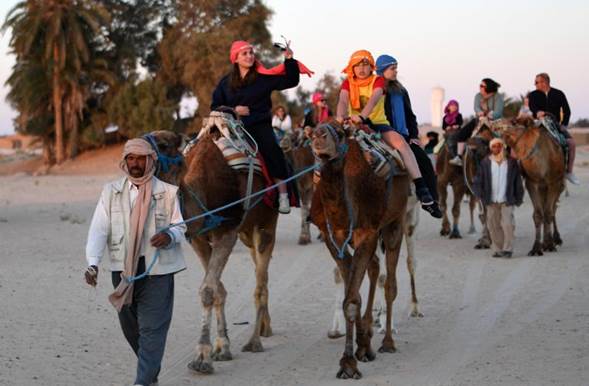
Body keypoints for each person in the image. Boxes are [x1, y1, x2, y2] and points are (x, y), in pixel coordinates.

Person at [84, 138, 187, 386]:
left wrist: (170, 235)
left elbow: (180, 226)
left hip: (158, 271)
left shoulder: (168, 192)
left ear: (150, 160)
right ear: (125, 161)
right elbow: (99, 229)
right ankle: (151, 372)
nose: (136, 163)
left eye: (141, 158)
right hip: (123, 271)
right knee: (131, 328)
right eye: (131, 158)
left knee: (152, 329)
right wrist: (93, 263)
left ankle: (142, 381)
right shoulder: (110, 192)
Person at [336, 50, 442, 218]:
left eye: (365, 65)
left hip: (378, 125)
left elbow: (375, 99)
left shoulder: (381, 83)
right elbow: (342, 100)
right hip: (354, 126)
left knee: (405, 147)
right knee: (330, 149)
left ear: (372, 67)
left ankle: (425, 193)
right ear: (352, 68)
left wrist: (363, 117)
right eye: (358, 66)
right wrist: (340, 117)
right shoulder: (348, 83)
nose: (362, 69)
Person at [211, 40, 313, 214]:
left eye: (251, 53)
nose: (250, 56)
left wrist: (289, 59)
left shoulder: (263, 78)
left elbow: (290, 81)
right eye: (245, 53)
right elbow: (215, 106)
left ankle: (283, 196)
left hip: (259, 125)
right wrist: (234, 110)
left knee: (272, 150)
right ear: (235, 58)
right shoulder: (225, 83)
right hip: (232, 128)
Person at [375, 54, 440, 202]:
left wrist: (414, 136)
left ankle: (432, 199)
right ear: (382, 71)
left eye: (396, 68)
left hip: (404, 138)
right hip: (382, 135)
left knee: (425, 162)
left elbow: (411, 116)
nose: (396, 71)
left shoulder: (401, 91)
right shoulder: (376, 91)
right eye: (392, 68)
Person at [472, 137, 524, 258]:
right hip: (491, 200)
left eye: (499, 146)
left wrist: (519, 197)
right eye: (494, 146)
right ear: (491, 148)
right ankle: (498, 249)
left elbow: (518, 182)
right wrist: (479, 194)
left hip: (507, 199)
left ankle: (508, 249)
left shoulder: (511, 162)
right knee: (493, 226)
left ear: (503, 147)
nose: (496, 148)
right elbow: (478, 180)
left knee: (507, 225)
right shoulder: (486, 162)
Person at [528, 72, 579, 185]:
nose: (535, 84)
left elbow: (567, 111)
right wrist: (537, 112)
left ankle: (569, 172)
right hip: (538, 123)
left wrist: (563, 125)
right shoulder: (533, 95)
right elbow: (532, 107)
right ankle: (524, 170)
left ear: (544, 82)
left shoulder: (559, 94)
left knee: (571, 143)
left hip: (555, 125)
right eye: (535, 82)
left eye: (537, 82)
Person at [448, 78, 504, 166]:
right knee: (462, 133)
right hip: (480, 120)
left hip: (495, 122)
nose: (480, 87)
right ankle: (459, 157)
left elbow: (498, 112)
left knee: (506, 139)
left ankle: (508, 160)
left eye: (482, 86)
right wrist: (480, 113)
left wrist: (489, 115)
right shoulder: (478, 96)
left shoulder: (498, 97)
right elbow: (476, 107)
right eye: (480, 85)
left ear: (488, 87)